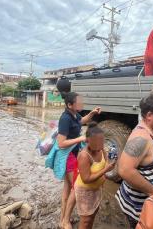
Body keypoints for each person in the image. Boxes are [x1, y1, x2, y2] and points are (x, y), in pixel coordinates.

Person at [116, 94, 153, 228]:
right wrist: (152, 191)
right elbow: (124, 170)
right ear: (150, 115)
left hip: (149, 202)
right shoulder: (141, 138)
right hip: (139, 206)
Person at [57, 92, 101, 229]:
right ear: (70, 105)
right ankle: (65, 221)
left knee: (68, 188)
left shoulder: (74, 115)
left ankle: (62, 219)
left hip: (73, 153)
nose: (81, 104)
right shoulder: (65, 118)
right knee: (77, 187)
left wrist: (92, 113)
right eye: (78, 102)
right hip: (67, 155)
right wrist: (80, 139)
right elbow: (61, 143)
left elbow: (82, 121)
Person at [75, 122, 116, 229]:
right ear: (88, 141)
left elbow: (106, 160)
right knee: (85, 220)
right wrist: (105, 170)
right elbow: (86, 179)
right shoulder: (84, 155)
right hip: (85, 191)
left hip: (97, 189)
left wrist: (109, 165)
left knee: (93, 214)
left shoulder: (100, 148)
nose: (100, 144)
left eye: (102, 141)